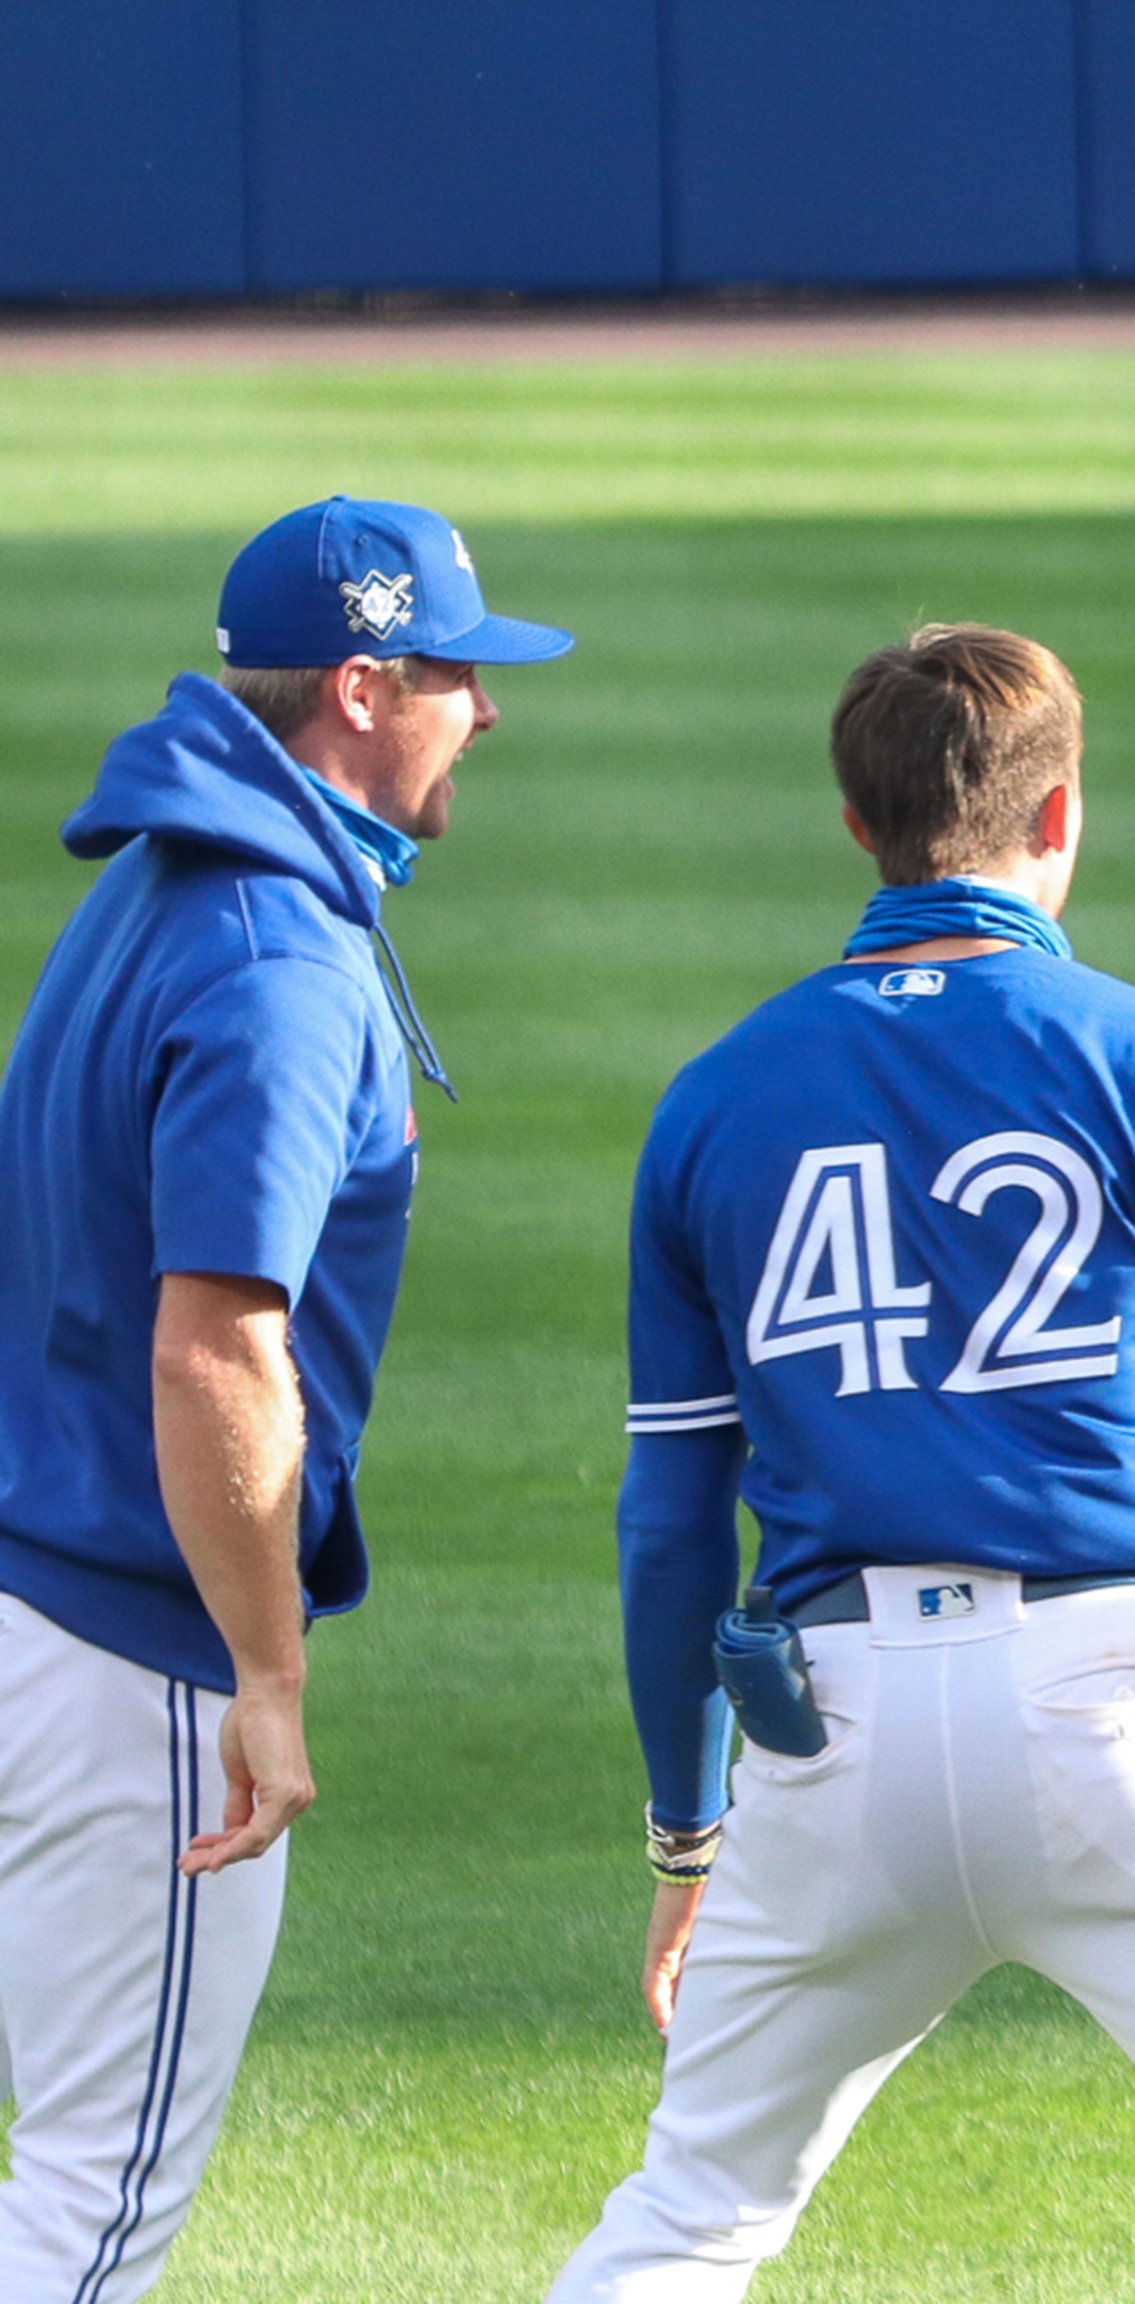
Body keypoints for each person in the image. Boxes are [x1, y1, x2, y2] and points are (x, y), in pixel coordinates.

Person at [549, 624, 1135, 2304]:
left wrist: (688, 1840)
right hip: (1116, 1717)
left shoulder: (714, 1103)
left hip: (828, 1738)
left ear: (857, 825)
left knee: (692, 2219)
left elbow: (666, 1528)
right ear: (1058, 811)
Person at [0, 497, 570, 2299]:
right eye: (457, 674)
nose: (487, 711)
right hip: (123, 1654)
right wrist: (263, 1667)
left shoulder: (157, 883)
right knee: (90, 2211)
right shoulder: (275, 962)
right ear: (358, 687)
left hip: (30, 1592)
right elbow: (216, 1349)